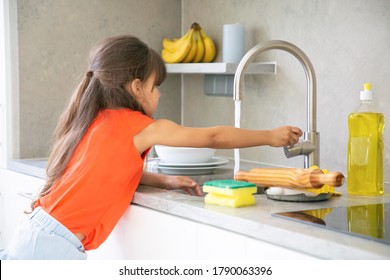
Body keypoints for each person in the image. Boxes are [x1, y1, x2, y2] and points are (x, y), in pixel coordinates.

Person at [0, 35, 302, 260]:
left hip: (37, 234)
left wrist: (163, 180)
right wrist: (269, 135)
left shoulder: (95, 120)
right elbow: (212, 138)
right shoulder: (136, 126)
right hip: (51, 248)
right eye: (156, 86)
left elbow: (110, 172)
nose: (157, 95)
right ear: (136, 87)